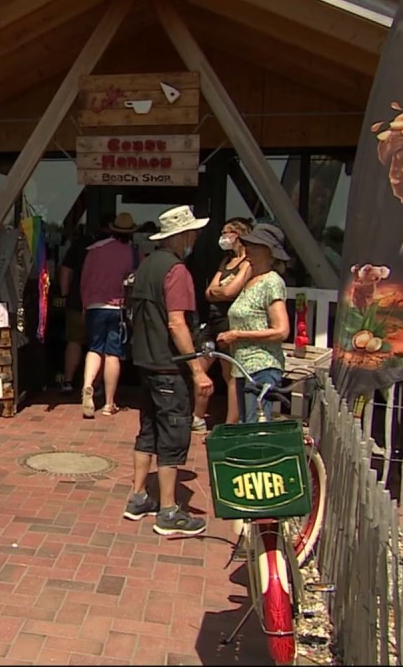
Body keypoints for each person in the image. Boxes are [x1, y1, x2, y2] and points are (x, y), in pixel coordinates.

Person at [123, 205, 213, 537]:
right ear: (182, 236)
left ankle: (138, 496)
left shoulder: (145, 265)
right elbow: (177, 322)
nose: (195, 238)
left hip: (145, 361)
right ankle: (168, 509)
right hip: (167, 365)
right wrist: (196, 369)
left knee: (148, 429)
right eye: (193, 233)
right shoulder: (176, 271)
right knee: (173, 434)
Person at [217, 223, 291, 423]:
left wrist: (237, 335)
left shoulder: (271, 282)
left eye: (255, 246)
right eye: (247, 244)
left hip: (262, 366)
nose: (248, 249)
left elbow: (281, 330)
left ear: (269, 253)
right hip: (243, 367)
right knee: (245, 424)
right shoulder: (250, 280)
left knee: (253, 425)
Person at [195, 218, 255, 428]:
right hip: (212, 320)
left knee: (229, 373)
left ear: (238, 235)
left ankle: (230, 423)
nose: (223, 238)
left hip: (230, 322)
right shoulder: (225, 262)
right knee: (200, 365)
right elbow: (209, 292)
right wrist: (218, 292)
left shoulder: (248, 263)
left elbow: (230, 291)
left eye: (226, 233)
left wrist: (219, 292)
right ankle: (197, 416)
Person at [79, 212, 139, 418]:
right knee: (113, 354)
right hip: (118, 308)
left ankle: (88, 385)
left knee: (94, 349)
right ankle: (109, 403)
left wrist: (84, 305)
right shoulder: (133, 252)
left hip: (95, 305)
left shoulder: (95, 250)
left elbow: (84, 280)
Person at [58, 226, 94, 393]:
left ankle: (68, 381)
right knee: (99, 346)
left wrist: (65, 294)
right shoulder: (110, 248)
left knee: (74, 341)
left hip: (76, 301)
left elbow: (65, 271)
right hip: (100, 302)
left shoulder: (78, 246)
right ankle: (95, 385)